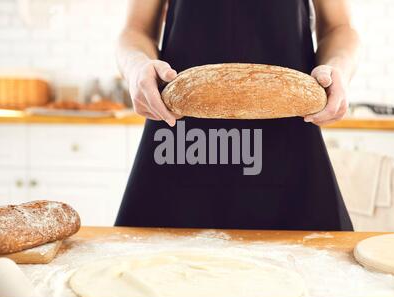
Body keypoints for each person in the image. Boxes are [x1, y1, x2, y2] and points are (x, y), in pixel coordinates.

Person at [115, 0, 360, 231]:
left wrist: (338, 67)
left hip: (288, 145)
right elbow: (137, 29)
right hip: (180, 144)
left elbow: (339, 27)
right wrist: (136, 66)